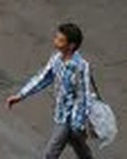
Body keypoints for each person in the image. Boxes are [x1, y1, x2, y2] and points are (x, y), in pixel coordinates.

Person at [6, 23, 95, 159]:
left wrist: (77, 124)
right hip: (61, 114)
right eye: (56, 38)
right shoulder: (57, 59)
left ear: (71, 46)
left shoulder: (80, 67)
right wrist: (21, 95)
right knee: (81, 149)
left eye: (60, 40)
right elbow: (42, 78)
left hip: (71, 119)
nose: (55, 42)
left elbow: (83, 96)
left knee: (50, 154)